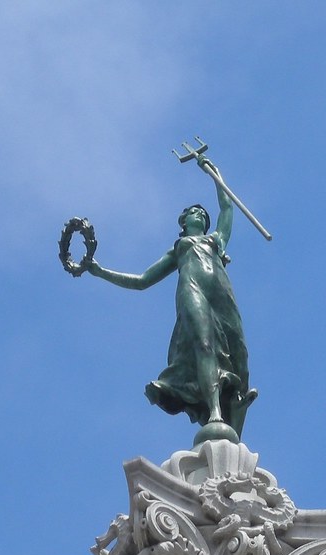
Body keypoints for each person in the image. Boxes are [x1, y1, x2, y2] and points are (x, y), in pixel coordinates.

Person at [86, 160, 257, 438]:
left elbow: (227, 209)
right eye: (194, 212)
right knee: (204, 344)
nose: (200, 214)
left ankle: (235, 408)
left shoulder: (216, 242)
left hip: (222, 296)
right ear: (183, 221)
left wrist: (215, 175)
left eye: (203, 213)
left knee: (239, 352)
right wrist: (100, 271)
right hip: (193, 291)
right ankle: (213, 410)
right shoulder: (180, 249)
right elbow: (142, 281)